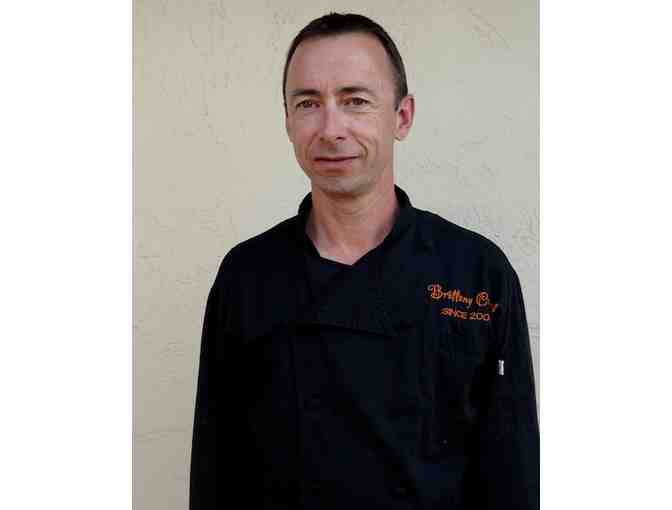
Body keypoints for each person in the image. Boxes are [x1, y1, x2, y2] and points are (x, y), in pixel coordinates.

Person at [189, 12, 539, 510]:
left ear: (402, 117)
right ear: (287, 121)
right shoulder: (246, 277)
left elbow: (513, 471)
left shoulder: (478, 274)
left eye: (355, 101)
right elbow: (216, 472)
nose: (331, 129)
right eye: (308, 103)